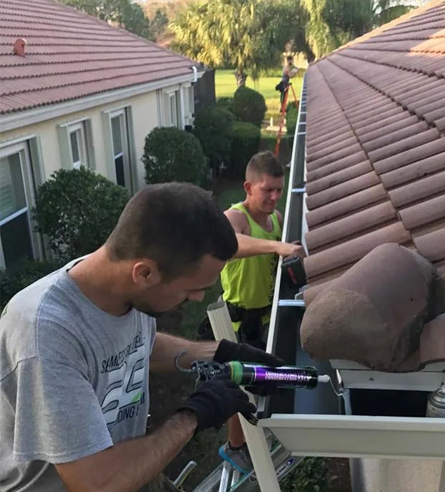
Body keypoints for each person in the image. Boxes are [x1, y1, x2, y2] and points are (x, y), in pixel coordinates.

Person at [0, 182, 283, 492]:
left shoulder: (121, 290)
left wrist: (220, 353)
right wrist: (193, 416)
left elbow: (134, 347)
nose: (199, 298)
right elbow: (94, 483)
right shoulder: (45, 333)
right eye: (191, 289)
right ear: (145, 273)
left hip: (131, 470)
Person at [218, 152, 305, 474]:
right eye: (267, 189)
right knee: (239, 387)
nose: (273, 197)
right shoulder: (236, 216)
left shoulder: (276, 220)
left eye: (278, 190)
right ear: (247, 187)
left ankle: (252, 436)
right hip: (237, 320)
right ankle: (235, 446)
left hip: (265, 318)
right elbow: (230, 244)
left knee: (259, 383)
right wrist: (277, 247)